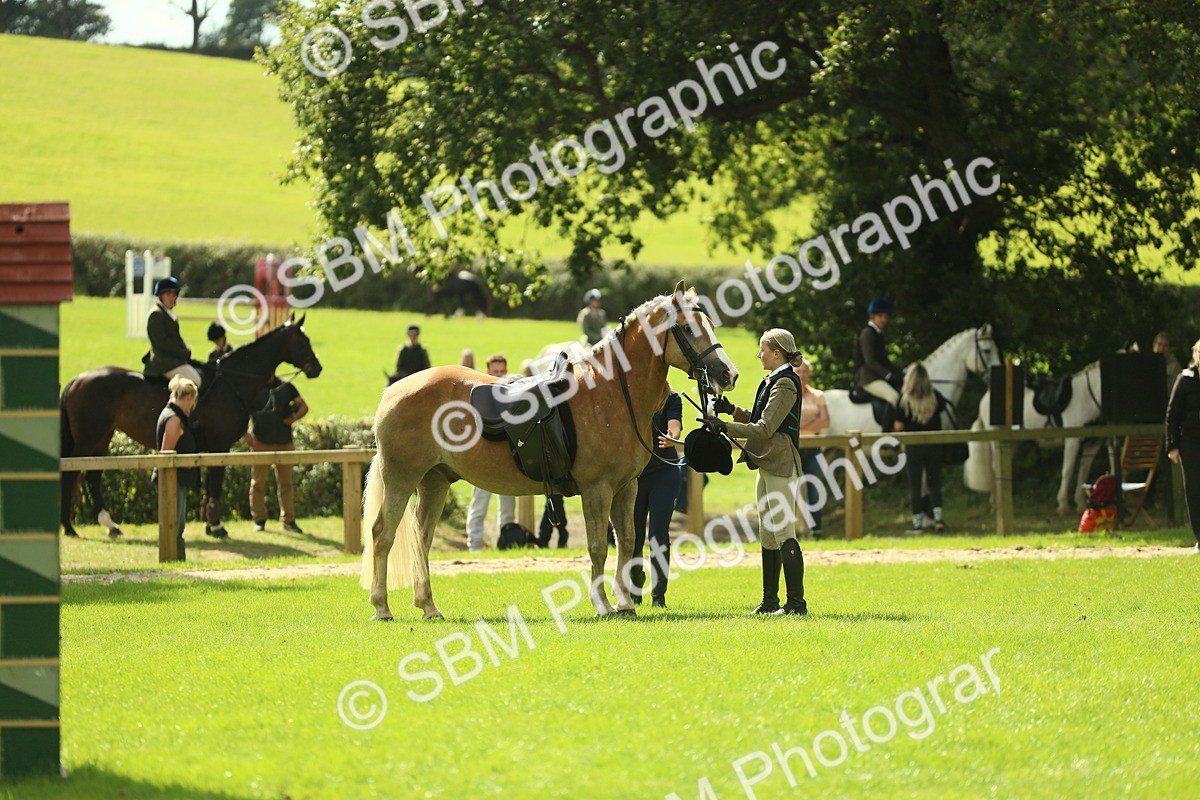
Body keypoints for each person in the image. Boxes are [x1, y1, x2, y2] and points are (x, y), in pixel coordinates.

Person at [710, 328, 808, 615]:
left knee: (784, 532)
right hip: (766, 461)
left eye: (762, 350)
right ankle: (769, 602)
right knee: (767, 533)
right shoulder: (773, 380)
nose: (758, 354)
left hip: (779, 462)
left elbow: (765, 429)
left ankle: (796, 604)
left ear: (777, 353)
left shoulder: (785, 384)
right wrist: (731, 411)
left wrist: (724, 427)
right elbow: (760, 419)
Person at [629, 385, 683, 607]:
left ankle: (658, 596)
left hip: (664, 473)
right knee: (632, 537)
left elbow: (675, 425)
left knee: (658, 536)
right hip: (634, 477)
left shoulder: (671, 399)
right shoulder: (632, 396)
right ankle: (634, 589)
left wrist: (672, 437)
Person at [245, 376, 309, 533]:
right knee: (258, 483)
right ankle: (259, 519)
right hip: (260, 442)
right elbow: (241, 412)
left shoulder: (286, 386)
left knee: (286, 483)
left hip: (284, 442)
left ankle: (289, 520)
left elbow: (303, 406)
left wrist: (294, 417)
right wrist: (246, 436)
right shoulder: (253, 388)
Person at [466, 354, 516, 552]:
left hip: (507, 460)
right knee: (479, 506)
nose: (500, 375)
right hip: (483, 460)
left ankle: (507, 542)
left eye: (502, 371)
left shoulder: (513, 394)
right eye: (495, 372)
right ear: (487, 372)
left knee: (508, 508)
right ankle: (474, 547)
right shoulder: (480, 396)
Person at [894, 363, 947, 533]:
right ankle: (938, 519)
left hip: (913, 447)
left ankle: (917, 523)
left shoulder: (904, 400)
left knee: (915, 485)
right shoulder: (936, 397)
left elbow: (898, 426)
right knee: (935, 482)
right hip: (934, 445)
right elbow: (944, 409)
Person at [155, 376, 200, 560]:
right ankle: (173, 561)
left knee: (177, 525)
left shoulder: (173, 415)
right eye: (193, 400)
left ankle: (176, 561)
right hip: (173, 481)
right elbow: (166, 454)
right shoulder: (173, 419)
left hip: (178, 480)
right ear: (188, 397)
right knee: (175, 525)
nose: (193, 405)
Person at [1166, 338, 1200, 555]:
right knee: (1194, 488)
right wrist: (1172, 446)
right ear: (1195, 354)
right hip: (1190, 441)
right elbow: (1172, 414)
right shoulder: (1185, 380)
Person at [143, 276, 202, 388]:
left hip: (173, 360)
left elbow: (176, 339)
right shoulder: (156, 314)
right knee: (196, 381)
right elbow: (162, 343)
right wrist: (183, 352)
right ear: (161, 296)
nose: (172, 298)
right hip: (164, 363)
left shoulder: (167, 313)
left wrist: (185, 350)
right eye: (168, 295)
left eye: (174, 295)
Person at [795, 360, 830, 537]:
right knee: (789, 490)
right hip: (793, 448)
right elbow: (790, 424)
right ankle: (791, 532)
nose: (802, 375)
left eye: (805, 372)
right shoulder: (790, 395)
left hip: (814, 449)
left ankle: (816, 530)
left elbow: (825, 421)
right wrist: (812, 421)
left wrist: (801, 422)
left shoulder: (818, 395)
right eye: (799, 372)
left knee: (815, 490)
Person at [854, 296, 900, 405]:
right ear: (872, 316)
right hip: (868, 378)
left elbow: (884, 361)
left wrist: (901, 371)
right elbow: (870, 361)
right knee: (895, 398)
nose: (883, 319)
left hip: (876, 375)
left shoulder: (879, 333)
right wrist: (888, 375)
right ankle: (897, 423)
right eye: (880, 316)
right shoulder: (868, 332)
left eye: (886, 316)